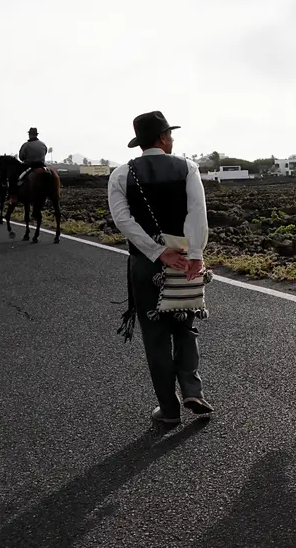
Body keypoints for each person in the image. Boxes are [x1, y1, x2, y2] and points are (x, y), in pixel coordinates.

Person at [107, 110, 213, 425]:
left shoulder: (121, 174)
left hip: (145, 263)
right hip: (184, 259)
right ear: (164, 137)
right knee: (185, 325)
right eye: (171, 134)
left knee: (155, 337)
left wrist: (156, 252)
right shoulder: (188, 168)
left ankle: (168, 410)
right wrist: (196, 253)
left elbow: (123, 220)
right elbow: (197, 212)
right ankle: (192, 389)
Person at [10, 128, 48, 205]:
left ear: (29, 135)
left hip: (29, 165)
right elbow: (45, 153)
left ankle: (13, 197)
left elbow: (21, 157)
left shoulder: (26, 145)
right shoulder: (43, 144)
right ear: (36, 134)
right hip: (42, 165)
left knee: (13, 177)